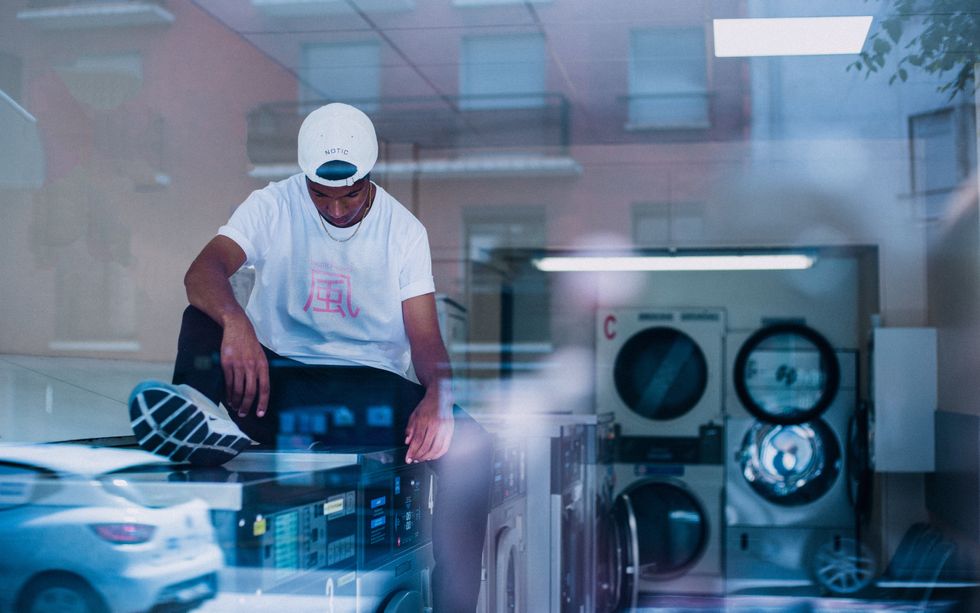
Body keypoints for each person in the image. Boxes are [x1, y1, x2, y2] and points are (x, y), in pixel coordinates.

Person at [129, 103, 492, 612]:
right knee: (203, 317)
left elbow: (426, 341)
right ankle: (204, 421)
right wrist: (237, 322)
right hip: (272, 386)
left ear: (369, 176)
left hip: (366, 397)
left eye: (351, 196)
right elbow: (202, 272)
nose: (337, 211)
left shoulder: (404, 230)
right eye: (322, 196)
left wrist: (438, 395)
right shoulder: (271, 205)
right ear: (304, 177)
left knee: (475, 447)